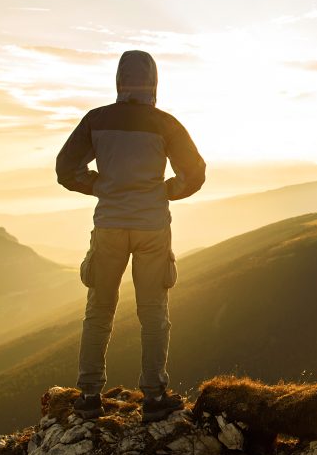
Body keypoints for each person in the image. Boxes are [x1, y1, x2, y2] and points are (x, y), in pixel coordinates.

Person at [55, 50, 206, 422]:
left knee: (99, 309)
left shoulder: (96, 119)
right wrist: (165, 191)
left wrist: (99, 186)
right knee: (153, 314)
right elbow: (195, 172)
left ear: (119, 81)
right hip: (152, 228)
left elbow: (65, 169)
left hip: (109, 226)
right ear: (154, 82)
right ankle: (154, 397)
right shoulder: (165, 123)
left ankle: (89, 396)